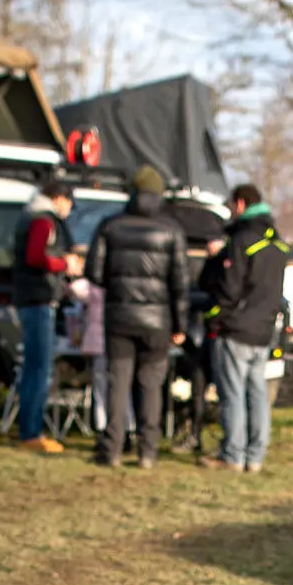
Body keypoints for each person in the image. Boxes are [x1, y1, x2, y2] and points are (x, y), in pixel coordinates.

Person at [85, 165, 188, 469]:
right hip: (158, 322)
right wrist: (180, 325)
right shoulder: (172, 230)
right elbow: (180, 284)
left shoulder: (110, 226)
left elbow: (94, 273)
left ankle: (113, 448)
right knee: (151, 385)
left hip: (119, 319)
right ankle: (148, 450)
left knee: (118, 383)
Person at [201, 182, 291, 473]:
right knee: (258, 394)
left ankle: (232, 454)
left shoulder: (242, 240)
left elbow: (230, 287)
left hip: (236, 330)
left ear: (240, 204)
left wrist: (215, 316)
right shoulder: (276, 242)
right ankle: (255, 456)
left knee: (233, 394)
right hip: (263, 331)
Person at [10, 178, 82, 453]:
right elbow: (35, 257)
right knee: (40, 368)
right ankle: (31, 433)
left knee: (33, 367)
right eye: (69, 201)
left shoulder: (31, 216)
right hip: (38, 300)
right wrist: (65, 264)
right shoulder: (43, 221)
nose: (69, 207)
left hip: (32, 298)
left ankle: (29, 429)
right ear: (58, 198)